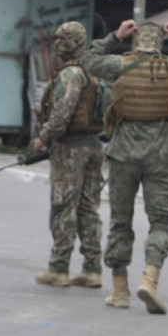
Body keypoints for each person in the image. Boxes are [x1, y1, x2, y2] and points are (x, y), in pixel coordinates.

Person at [83, 20, 168, 314]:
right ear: (160, 41)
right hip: (161, 154)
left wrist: (114, 36)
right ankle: (150, 279)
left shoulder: (118, 65)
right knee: (160, 221)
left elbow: (88, 60)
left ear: (136, 41)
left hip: (122, 153)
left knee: (121, 221)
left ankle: (120, 291)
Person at [29, 21, 105, 290]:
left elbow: (62, 113)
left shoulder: (71, 75)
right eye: (58, 39)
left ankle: (59, 268)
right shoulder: (95, 71)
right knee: (88, 207)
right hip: (94, 145)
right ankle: (92, 269)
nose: (59, 44)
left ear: (76, 42)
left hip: (71, 148)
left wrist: (44, 137)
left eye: (64, 40)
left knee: (64, 206)